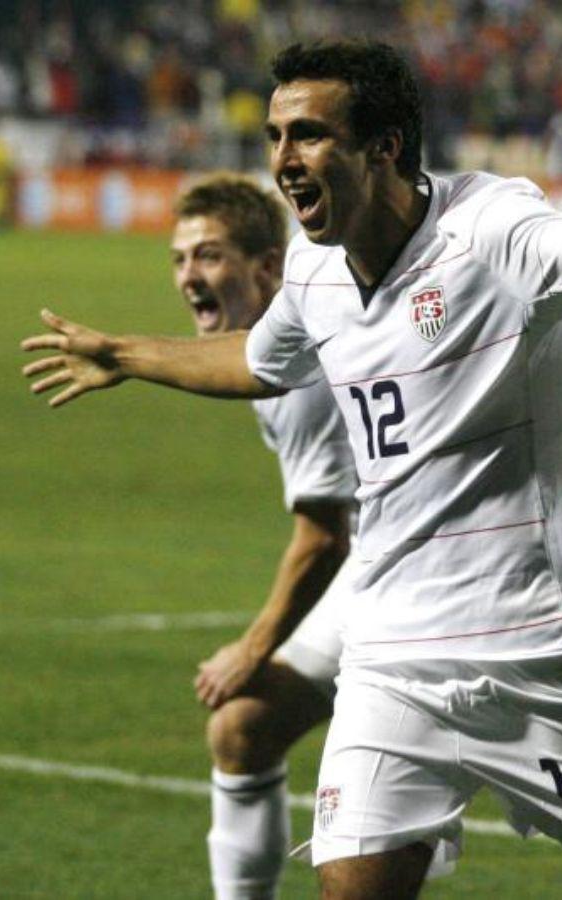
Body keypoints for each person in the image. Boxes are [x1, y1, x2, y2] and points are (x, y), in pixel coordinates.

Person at [23, 41, 562, 900]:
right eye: (278, 137)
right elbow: (258, 360)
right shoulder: (318, 270)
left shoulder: (489, 231)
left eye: (310, 135)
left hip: (536, 647)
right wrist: (127, 354)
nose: (284, 159)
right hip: (390, 653)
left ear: (384, 148)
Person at [168, 173, 358, 900]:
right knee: (243, 730)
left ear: (269, 267)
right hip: (382, 570)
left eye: (210, 256)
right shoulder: (271, 348)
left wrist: (252, 650)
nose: (190, 275)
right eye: (181, 258)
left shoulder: (299, 369)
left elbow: (323, 540)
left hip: (421, 573)